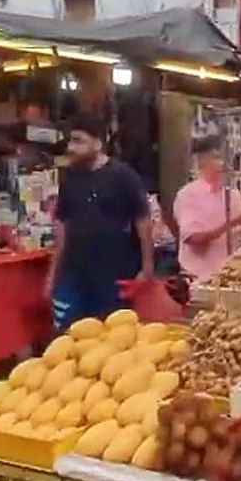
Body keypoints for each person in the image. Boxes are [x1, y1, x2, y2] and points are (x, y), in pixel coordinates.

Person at [46, 116, 152, 330]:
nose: (71, 147)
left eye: (78, 141)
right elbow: (62, 228)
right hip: (75, 275)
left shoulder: (123, 176)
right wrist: (52, 276)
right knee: (71, 336)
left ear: (98, 143)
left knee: (112, 337)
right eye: (70, 141)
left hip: (114, 275)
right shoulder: (70, 179)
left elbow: (143, 221)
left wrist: (147, 267)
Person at [173, 136, 241, 281]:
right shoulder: (188, 195)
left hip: (230, 278)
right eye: (215, 158)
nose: (221, 164)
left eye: (222, 158)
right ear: (201, 161)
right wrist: (232, 223)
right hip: (199, 278)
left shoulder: (232, 195)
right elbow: (194, 239)